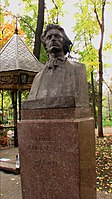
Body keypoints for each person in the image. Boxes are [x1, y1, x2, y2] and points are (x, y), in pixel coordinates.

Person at [26, 24, 89, 108]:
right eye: (49, 37)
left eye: (57, 36)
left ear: (64, 41)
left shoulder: (78, 70)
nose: (53, 39)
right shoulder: (37, 78)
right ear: (45, 44)